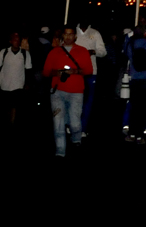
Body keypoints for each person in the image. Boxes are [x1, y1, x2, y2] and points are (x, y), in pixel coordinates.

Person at [42, 26, 94, 157]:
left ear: (75, 36)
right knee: (58, 122)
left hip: (76, 92)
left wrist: (74, 71)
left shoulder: (82, 51)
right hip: (57, 91)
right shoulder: (54, 52)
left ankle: (76, 139)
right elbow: (46, 72)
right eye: (66, 34)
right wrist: (58, 72)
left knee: (75, 123)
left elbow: (89, 71)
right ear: (62, 36)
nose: (68, 37)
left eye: (71, 34)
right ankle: (60, 150)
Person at [125, 25, 146, 143]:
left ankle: (132, 133)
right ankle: (140, 135)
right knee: (144, 107)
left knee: (134, 106)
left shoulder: (130, 44)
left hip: (135, 78)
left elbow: (129, 57)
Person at [75, 16, 106, 136]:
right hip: (74, 71)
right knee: (73, 100)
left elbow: (103, 52)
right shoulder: (72, 31)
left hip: (90, 72)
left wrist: (93, 51)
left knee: (87, 101)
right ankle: (72, 125)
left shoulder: (95, 33)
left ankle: (82, 128)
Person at [1, 32, 32, 129]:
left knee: (14, 105)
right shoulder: (4, 52)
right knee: (7, 106)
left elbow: (28, 69)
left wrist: (27, 83)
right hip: (5, 84)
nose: (17, 41)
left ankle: (12, 124)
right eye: (14, 39)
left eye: (18, 40)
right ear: (10, 41)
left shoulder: (24, 54)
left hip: (18, 84)